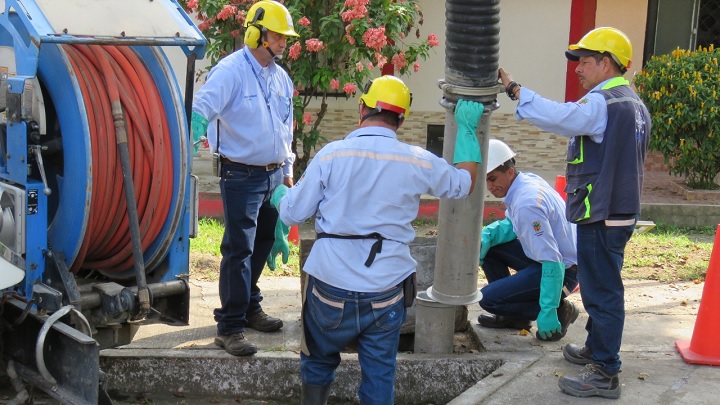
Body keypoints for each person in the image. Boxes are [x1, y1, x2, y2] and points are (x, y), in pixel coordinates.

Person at [273, 75, 484, 405]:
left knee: (317, 363)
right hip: (386, 290)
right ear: (401, 120)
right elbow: (463, 183)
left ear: (362, 109)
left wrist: (281, 196)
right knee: (380, 373)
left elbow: (291, 213)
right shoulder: (415, 159)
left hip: (329, 285)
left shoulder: (331, 156)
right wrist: (468, 130)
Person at [498, 27, 650, 399]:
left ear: (606, 63)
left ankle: (605, 372)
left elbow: (561, 117)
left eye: (584, 61)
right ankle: (595, 350)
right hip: (617, 211)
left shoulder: (603, 103)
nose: (578, 69)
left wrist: (516, 90)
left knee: (603, 293)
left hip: (602, 212)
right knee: (602, 286)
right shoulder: (633, 103)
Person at [189, 0, 299, 357]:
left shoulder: (281, 78)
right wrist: (193, 130)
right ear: (256, 33)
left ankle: (250, 305)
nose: (283, 42)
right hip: (240, 174)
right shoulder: (230, 71)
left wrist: (287, 173)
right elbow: (201, 109)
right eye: (277, 35)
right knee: (239, 249)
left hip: (273, 175)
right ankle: (230, 326)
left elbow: (286, 129)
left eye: (285, 36)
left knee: (263, 242)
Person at [478, 139, 579, 342]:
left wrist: (548, 308)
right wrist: (488, 234)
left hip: (563, 271)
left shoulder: (527, 204)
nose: (490, 186)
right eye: (486, 181)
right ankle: (515, 317)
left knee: (487, 299)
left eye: (493, 179)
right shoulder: (526, 181)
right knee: (491, 249)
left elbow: (552, 261)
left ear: (509, 172)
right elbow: (515, 224)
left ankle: (560, 310)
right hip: (546, 259)